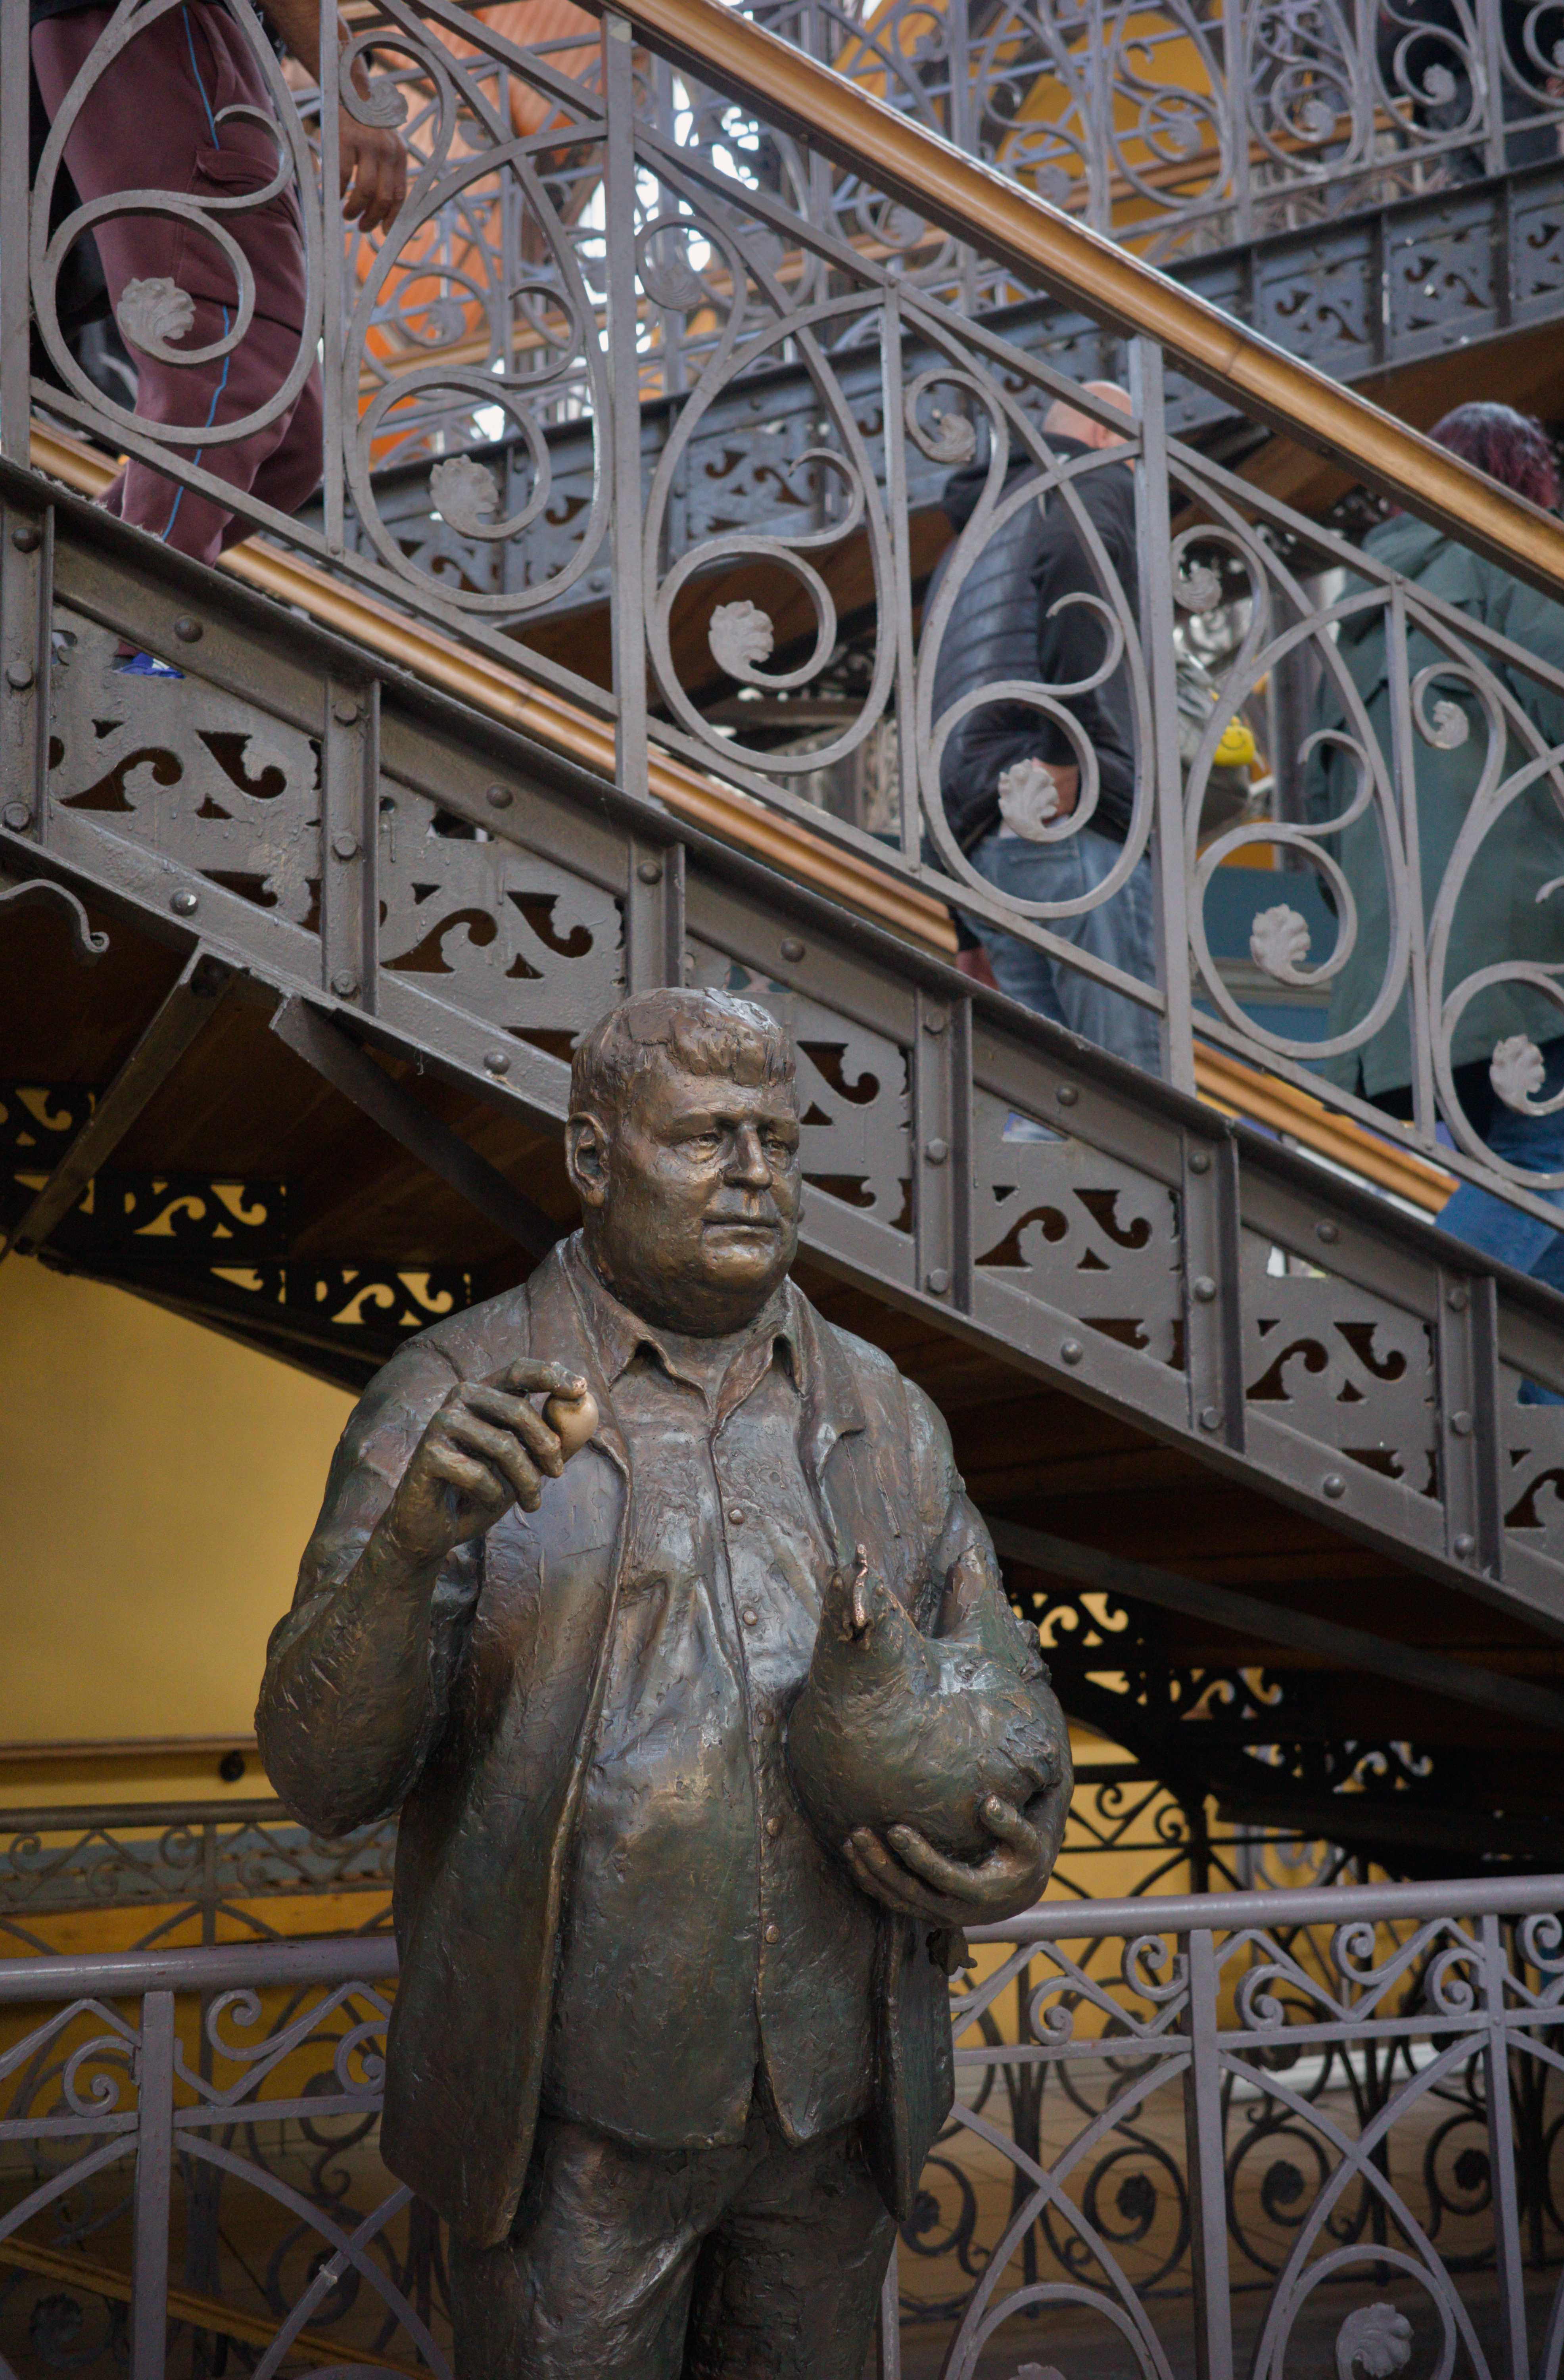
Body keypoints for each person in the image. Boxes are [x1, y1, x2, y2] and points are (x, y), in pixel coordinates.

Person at [255, 987, 1071, 2380]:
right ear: (593, 1158)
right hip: (571, 2127)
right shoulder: (457, 1394)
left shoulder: (884, 1412)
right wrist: (406, 1556)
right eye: (704, 1139)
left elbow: (999, 1676)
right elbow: (322, 1777)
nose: (753, 1173)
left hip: (833, 2102)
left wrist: (1021, 1837)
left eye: (777, 1141)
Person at [1305, 401, 1564, 1310]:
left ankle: (1534, 1398)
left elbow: (1318, 800)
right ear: (1528, 484)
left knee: (1540, 1204)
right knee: (1542, 1155)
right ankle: (1408, 1327)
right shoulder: (1510, 561)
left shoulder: (1357, 609)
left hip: (1403, 958)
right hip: (1527, 936)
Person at [30, 0, 406, 631]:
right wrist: (354, 93)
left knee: (294, 438)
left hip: (155, 43)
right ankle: (125, 646)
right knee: (231, 361)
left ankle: (70, 617)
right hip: (162, 26)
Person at [929, 381, 1161, 1076]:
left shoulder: (965, 546)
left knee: (1051, 1098)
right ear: (1105, 436)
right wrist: (1071, 751)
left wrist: (963, 918)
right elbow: (1073, 560)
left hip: (986, 845)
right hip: (1071, 823)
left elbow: (934, 704)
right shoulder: (1090, 480)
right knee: (1129, 1092)